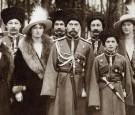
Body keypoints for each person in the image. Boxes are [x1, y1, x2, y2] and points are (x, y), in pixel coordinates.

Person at [41, 9, 94, 115]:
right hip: (61, 84)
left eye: (76, 24)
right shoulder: (56, 44)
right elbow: (51, 68)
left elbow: (90, 71)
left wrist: (90, 92)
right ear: (66, 26)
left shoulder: (87, 46)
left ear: (80, 27)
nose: (73, 27)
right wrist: (50, 91)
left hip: (79, 84)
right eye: (70, 24)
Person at [11, 6, 52, 115]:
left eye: (40, 27)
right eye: (35, 27)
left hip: (44, 91)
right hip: (27, 92)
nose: (38, 30)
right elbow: (17, 71)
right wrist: (18, 90)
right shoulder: (23, 47)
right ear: (30, 30)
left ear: (43, 29)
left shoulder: (50, 46)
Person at [88, 28, 133, 115]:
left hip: (118, 91)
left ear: (117, 44)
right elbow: (94, 80)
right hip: (103, 91)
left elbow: (127, 81)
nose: (110, 44)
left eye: (113, 42)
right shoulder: (98, 60)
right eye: (108, 42)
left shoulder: (123, 60)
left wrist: (128, 100)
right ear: (104, 44)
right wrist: (95, 101)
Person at [114, 13, 135, 115]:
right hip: (124, 80)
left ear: (133, 26)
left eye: (129, 24)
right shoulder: (118, 43)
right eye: (124, 25)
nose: (126, 27)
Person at [0, 28, 14, 115]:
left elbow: (11, 74)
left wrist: (11, 95)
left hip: (3, 91)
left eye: (0, 36)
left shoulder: (8, 53)